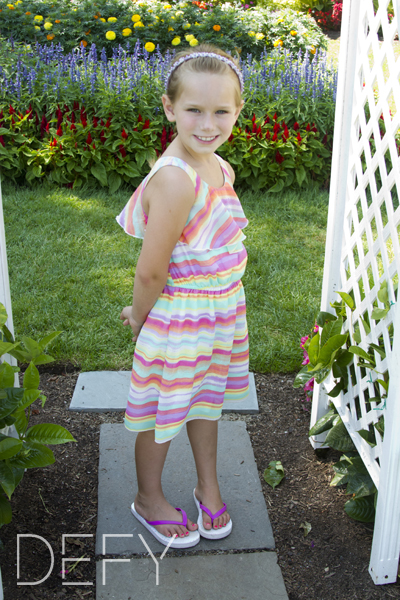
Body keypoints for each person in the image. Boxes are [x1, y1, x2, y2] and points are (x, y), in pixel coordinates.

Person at [116, 43, 249, 549]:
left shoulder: (217, 165)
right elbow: (151, 271)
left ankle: (207, 485)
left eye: (221, 110)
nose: (208, 123)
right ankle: (148, 497)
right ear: (170, 107)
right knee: (161, 411)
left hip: (215, 316)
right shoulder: (175, 181)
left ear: (238, 110)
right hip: (177, 318)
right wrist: (139, 316)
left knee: (204, 402)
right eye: (194, 110)